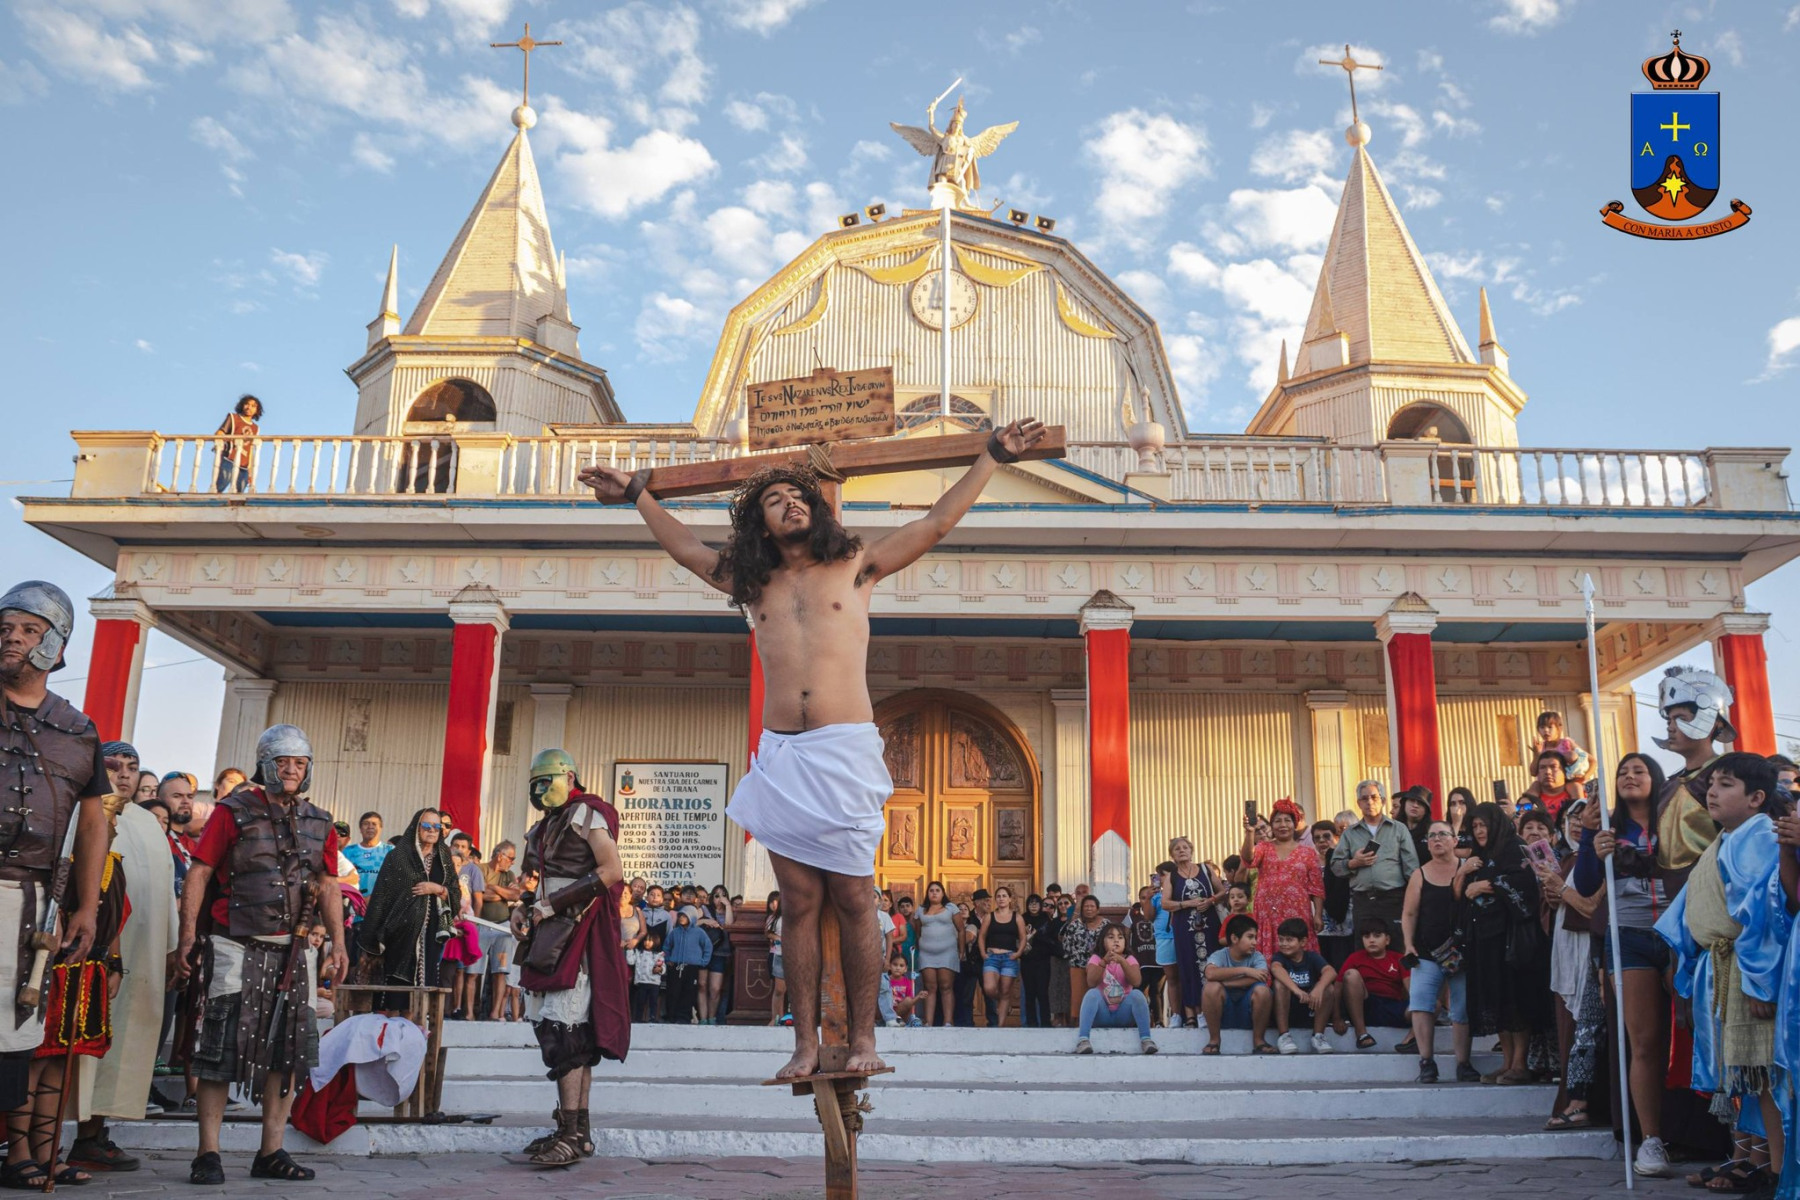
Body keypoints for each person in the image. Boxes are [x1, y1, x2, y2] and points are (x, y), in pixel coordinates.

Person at [583, 418, 1046, 1078]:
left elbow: (937, 523)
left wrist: (992, 455)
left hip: (844, 750)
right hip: (782, 756)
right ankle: (802, 1044)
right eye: (774, 500)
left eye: (797, 496)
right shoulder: (754, 584)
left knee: (856, 900)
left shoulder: (855, 566)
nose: (790, 504)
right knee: (798, 905)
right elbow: (687, 550)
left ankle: (864, 1040)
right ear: (760, 524)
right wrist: (637, 494)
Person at [177, 724, 347, 1185]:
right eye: (282, 762)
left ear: (309, 769)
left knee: (288, 1051)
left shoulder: (321, 821)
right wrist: (188, 935)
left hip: (295, 951)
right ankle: (208, 1153)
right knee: (218, 1049)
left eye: (299, 763)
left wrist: (338, 943)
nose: (291, 770)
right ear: (265, 765)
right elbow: (200, 872)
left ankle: (270, 1151)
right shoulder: (232, 812)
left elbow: (329, 885)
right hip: (235, 944)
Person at [0, 583, 112, 1188]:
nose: (12, 638)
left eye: (28, 630)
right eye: (5, 628)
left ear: (56, 646)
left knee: (14, 1030)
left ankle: (17, 1155)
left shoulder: (78, 730)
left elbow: (91, 825)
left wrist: (86, 907)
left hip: (33, 902)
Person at [1656, 753, 1791, 1196]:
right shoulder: (1730, 837)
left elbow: (1764, 916)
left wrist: (1760, 982)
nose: (1712, 792)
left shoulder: (1760, 836)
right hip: (1723, 965)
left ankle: (1777, 1170)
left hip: (1748, 968)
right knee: (1748, 1076)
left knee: (1764, 1074)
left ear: (1756, 798)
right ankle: (1752, 1161)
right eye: (1712, 783)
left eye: (1726, 784)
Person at [510, 748, 628, 1168]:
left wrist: (553, 904)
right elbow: (537, 882)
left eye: (548, 781)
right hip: (548, 932)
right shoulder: (546, 826)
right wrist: (523, 906)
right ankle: (576, 1132)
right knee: (559, 1032)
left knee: (568, 1035)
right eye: (536, 783)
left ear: (569, 778)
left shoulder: (587, 814)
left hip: (577, 930)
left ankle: (572, 1136)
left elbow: (611, 870)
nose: (541, 789)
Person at [70, 742, 175, 1174]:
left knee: (122, 1043)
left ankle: (92, 1136)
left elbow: (165, 889)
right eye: (114, 767)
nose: (124, 775)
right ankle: (41, 1140)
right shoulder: (83, 812)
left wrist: (173, 947)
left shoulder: (148, 823)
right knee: (76, 1041)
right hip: (90, 953)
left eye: (132, 767)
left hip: (142, 955)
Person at [1573, 752, 1676, 1173]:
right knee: (1644, 1042)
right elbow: (1585, 885)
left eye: (1639, 770)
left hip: (1679, 934)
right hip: (1628, 938)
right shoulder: (1609, 828)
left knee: (1696, 1037)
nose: (1630, 777)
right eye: (1622, 772)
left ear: (1655, 777)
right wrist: (1589, 841)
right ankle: (1651, 1140)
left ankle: (1721, 1135)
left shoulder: (1676, 818)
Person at [1456, 801, 1544, 1084]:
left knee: (1515, 1000)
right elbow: (1462, 895)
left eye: (1484, 825)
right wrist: (1467, 877)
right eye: (1475, 826)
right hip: (1484, 940)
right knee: (1495, 1001)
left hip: (1510, 940)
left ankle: (1520, 1064)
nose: (1479, 831)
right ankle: (1506, 1062)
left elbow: (1526, 885)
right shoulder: (1479, 855)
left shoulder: (1515, 848)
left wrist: (1487, 885)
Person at [1401, 820, 1478, 1084]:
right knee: (1421, 1005)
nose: (1436, 839)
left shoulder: (1468, 868)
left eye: (1443, 834)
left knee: (1462, 1008)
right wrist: (1408, 944)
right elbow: (1409, 913)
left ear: (1455, 840)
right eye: (1431, 836)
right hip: (1426, 952)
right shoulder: (1419, 874)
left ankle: (1463, 1063)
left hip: (1462, 952)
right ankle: (1426, 1062)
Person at [1330, 780, 1419, 946]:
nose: (1369, 802)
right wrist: (1354, 863)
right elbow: (1335, 867)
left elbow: (1412, 869)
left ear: (1383, 801)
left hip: (1393, 899)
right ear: (1358, 803)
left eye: (1374, 797)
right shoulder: (1350, 833)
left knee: (1396, 947)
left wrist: (1415, 900)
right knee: (1364, 950)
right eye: (1364, 798)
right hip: (1363, 901)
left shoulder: (1398, 829)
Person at [1235, 797, 1324, 962]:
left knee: (1298, 953)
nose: (1283, 825)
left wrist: (1318, 914)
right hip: (1268, 913)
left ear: (1295, 824)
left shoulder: (1308, 853)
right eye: (1277, 821)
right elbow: (1248, 858)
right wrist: (1249, 832)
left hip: (1297, 912)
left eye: (1287, 820)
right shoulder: (1263, 847)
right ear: (1272, 825)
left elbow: (1316, 887)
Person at [1160, 835, 1224, 1027]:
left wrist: (1210, 901)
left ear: (1191, 850)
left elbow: (1222, 891)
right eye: (1177, 849)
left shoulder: (1206, 869)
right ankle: (1193, 1013)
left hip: (1209, 924)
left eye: (1185, 847)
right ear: (1172, 855)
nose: (1181, 850)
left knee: (1210, 963)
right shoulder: (1171, 877)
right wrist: (1186, 904)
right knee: (1188, 966)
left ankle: (1212, 1008)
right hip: (1184, 927)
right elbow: (1165, 903)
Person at [1073, 922, 1157, 1055]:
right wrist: (1103, 962)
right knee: (1092, 994)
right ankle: (1083, 1040)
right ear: (1103, 941)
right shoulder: (1096, 959)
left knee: (1137, 995)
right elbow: (1091, 982)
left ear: (1125, 942)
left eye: (1120, 937)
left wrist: (1122, 962)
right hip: (1102, 1015)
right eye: (1111, 937)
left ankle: (1146, 1039)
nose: (1116, 940)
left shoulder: (1130, 959)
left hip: (1124, 1015)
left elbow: (1136, 981)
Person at [1201, 914, 1273, 1055]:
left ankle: (1259, 1041)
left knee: (1263, 990)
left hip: (1249, 1013)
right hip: (1224, 1013)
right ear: (1234, 938)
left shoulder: (1257, 956)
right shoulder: (1220, 955)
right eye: (1250, 937)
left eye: (1255, 937)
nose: (1255, 942)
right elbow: (1210, 974)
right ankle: (1214, 1041)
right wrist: (1245, 970)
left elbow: (1261, 977)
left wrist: (1225, 982)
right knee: (1211, 987)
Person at [1340, 917, 1411, 1049]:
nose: (1371, 940)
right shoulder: (1355, 958)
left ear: (1387, 940)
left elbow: (1411, 988)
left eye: (1377, 936)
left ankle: (1411, 1039)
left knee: (1432, 1004)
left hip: (1395, 1006)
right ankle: (1361, 1035)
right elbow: (1339, 986)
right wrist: (1336, 1017)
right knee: (1351, 975)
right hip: (1367, 1006)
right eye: (1366, 936)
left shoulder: (1399, 958)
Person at [1270, 917, 1338, 1055]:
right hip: (1287, 1009)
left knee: (1328, 988)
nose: (1284, 944)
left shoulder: (1311, 957)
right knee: (1279, 984)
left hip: (1310, 1008)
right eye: (1281, 939)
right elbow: (1276, 968)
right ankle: (1284, 1036)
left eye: (1289, 940)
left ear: (1303, 942)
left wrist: (1318, 988)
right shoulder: (1279, 957)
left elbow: (1331, 971)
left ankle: (1318, 1036)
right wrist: (1296, 990)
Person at [483, 841, 523, 1021]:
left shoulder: (510, 874)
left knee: (501, 970)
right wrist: (503, 893)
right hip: (481, 924)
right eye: (511, 858)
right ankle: (471, 1010)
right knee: (473, 971)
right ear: (500, 856)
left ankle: (495, 1012)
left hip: (502, 927)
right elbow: (479, 893)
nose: (513, 862)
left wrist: (493, 888)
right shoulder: (481, 869)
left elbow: (515, 895)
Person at [979, 885, 1026, 1027]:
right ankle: (1003, 1000)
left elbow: (1023, 937)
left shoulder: (1017, 917)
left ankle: (1000, 1027)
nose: (1001, 899)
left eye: (1004, 896)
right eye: (998, 896)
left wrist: (1018, 953)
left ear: (1010, 899)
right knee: (989, 988)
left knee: (1005, 991)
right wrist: (983, 953)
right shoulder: (989, 916)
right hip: (992, 957)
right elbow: (981, 936)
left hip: (1009, 958)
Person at [1310, 823, 1355, 970]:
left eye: (1326, 836)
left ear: (1336, 837)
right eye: (1317, 838)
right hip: (1319, 924)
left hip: (1344, 924)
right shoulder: (1311, 863)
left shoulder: (1345, 861)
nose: (1322, 841)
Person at [1059, 893, 1107, 1020]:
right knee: (1078, 999)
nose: (1089, 909)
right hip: (1078, 966)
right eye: (1086, 906)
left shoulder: (1106, 925)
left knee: (1100, 996)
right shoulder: (1074, 925)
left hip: (1100, 967)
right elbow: (1066, 945)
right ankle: (1078, 1024)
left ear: (1098, 909)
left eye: (1092, 906)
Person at [956, 888, 992, 1026]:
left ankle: (993, 1023)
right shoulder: (968, 917)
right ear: (977, 902)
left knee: (989, 994)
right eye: (985, 900)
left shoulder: (993, 917)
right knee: (967, 995)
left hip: (988, 962)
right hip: (970, 962)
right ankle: (967, 1023)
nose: (988, 903)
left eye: (989, 900)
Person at [1530, 710, 1591, 787]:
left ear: (1559, 728)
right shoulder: (1540, 748)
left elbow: (1592, 761)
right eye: (1542, 727)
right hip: (1547, 786)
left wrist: (1585, 777)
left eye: (1550, 727)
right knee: (1534, 786)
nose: (1546, 730)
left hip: (1567, 784)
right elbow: (1533, 772)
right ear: (1538, 730)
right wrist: (1536, 754)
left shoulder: (1567, 743)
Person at [213, 394, 261, 492]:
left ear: (257, 410)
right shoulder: (233, 418)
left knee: (241, 487)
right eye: (247, 404)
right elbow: (220, 432)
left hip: (244, 463)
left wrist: (250, 471)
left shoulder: (255, 428)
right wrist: (220, 445)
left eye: (253, 406)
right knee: (223, 481)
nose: (249, 407)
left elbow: (251, 449)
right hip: (230, 457)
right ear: (242, 405)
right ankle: (214, 498)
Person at [699, 889, 733, 1025]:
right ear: (712, 897)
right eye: (717, 896)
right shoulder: (704, 909)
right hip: (704, 952)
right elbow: (691, 922)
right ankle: (703, 1019)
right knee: (702, 985)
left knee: (715, 988)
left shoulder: (728, 911)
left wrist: (728, 905)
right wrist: (705, 920)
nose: (720, 898)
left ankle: (712, 1018)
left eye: (724, 895)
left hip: (720, 953)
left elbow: (729, 925)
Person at [1020, 893, 1053, 1028]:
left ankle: (1045, 1023)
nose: (1033, 906)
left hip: (1043, 961)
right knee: (1029, 993)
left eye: (1036, 903)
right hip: (1027, 961)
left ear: (1040, 905)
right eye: (1031, 903)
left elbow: (1050, 939)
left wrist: (1036, 935)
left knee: (1042, 992)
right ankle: (1031, 1023)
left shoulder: (1046, 919)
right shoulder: (1022, 918)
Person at [1521, 750, 1582, 822]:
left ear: (1565, 771)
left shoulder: (1577, 793)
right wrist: (1530, 799)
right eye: (1542, 767)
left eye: (1553, 767)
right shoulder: (1532, 796)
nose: (1547, 772)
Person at [342, 812, 391, 901]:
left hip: (381, 904)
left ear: (381, 828)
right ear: (360, 829)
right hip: (352, 904)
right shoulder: (347, 851)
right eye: (366, 824)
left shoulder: (390, 851)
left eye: (374, 824)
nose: (370, 827)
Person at [629, 926, 665, 1023]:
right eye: (645, 940)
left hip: (654, 982)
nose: (647, 942)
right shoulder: (639, 953)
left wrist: (660, 969)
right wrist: (629, 950)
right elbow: (631, 961)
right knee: (640, 1001)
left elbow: (662, 966)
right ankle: (638, 1018)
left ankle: (653, 1017)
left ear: (656, 941)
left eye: (650, 940)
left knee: (653, 1001)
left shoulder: (658, 954)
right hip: (642, 981)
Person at [1394, 786, 1435, 865]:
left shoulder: (1433, 831)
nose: (1415, 805)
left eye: (1420, 803)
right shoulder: (1393, 829)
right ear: (1404, 803)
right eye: (1412, 800)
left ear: (1426, 810)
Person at [764, 892, 786, 1026]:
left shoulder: (791, 915)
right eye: (771, 902)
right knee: (779, 989)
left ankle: (784, 1017)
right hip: (778, 954)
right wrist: (779, 938)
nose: (773, 904)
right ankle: (776, 1017)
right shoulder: (774, 918)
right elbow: (768, 933)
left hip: (793, 956)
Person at [887, 954, 918, 1025]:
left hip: (901, 1013)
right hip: (887, 1011)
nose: (898, 968)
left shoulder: (908, 982)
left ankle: (900, 1020)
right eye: (895, 965)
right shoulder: (885, 980)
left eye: (901, 966)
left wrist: (919, 997)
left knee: (908, 1000)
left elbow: (910, 1002)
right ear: (889, 966)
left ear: (905, 969)